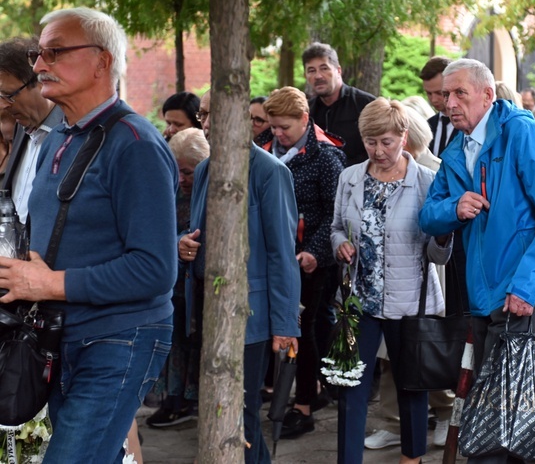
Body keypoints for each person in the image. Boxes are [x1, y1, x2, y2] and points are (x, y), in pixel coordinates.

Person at [0, 7, 178, 463]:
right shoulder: (59, 138)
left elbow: (156, 270)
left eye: (54, 52)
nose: (39, 64)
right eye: (40, 54)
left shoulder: (135, 144)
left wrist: (49, 283)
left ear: (101, 61)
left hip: (119, 338)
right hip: (63, 337)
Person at [418, 58, 535, 464]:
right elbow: (428, 215)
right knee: (502, 403)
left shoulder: (523, 133)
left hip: (521, 291)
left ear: (487, 95)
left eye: (458, 93)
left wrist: (526, 286)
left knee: (510, 403)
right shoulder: (455, 150)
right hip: (481, 293)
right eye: (444, 95)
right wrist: (455, 206)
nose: (448, 103)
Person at [179, 87, 300, 464]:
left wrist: (284, 324)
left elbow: (282, 253)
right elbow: (192, 228)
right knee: (220, 412)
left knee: (242, 414)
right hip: (206, 306)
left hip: (251, 314)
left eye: (219, 113)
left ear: (247, 119)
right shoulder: (204, 168)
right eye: (202, 115)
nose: (209, 123)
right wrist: (182, 244)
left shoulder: (270, 172)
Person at [331, 97, 452, 464]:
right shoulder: (350, 177)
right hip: (359, 301)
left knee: (411, 387)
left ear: (403, 136)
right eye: (370, 141)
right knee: (351, 387)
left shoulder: (427, 182)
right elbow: (337, 228)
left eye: (385, 141)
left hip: (409, 303)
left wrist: (445, 234)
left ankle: (411, 458)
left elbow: (437, 255)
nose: (378, 150)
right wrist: (340, 246)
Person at [254, 86, 346, 439]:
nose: (277, 134)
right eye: (273, 127)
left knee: (302, 330)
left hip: (307, 259)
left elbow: (335, 212)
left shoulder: (325, 156)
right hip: (269, 255)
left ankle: (304, 403)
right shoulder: (263, 145)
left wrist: (314, 252)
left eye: (285, 128)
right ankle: (284, 389)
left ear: (305, 120)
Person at [147, 128, 209, 428]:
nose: (182, 178)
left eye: (188, 172)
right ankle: (173, 397)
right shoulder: (169, 190)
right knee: (173, 343)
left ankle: (189, 398)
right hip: (171, 283)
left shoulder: (211, 193)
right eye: (177, 171)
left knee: (194, 343)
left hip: (199, 284)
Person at [0, 36, 64, 223]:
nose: (3, 105)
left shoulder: (71, 134)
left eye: (8, 95)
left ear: (41, 81)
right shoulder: (21, 129)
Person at [303, 42, 375, 165]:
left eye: (324, 68)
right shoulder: (306, 112)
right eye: (311, 70)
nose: (318, 76)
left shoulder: (367, 105)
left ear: (338, 70)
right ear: (306, 75)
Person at [419, 56, 456, 157]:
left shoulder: (469, 125)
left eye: (439, 93)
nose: (433, 100)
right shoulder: (427, 125)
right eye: (429, 93)